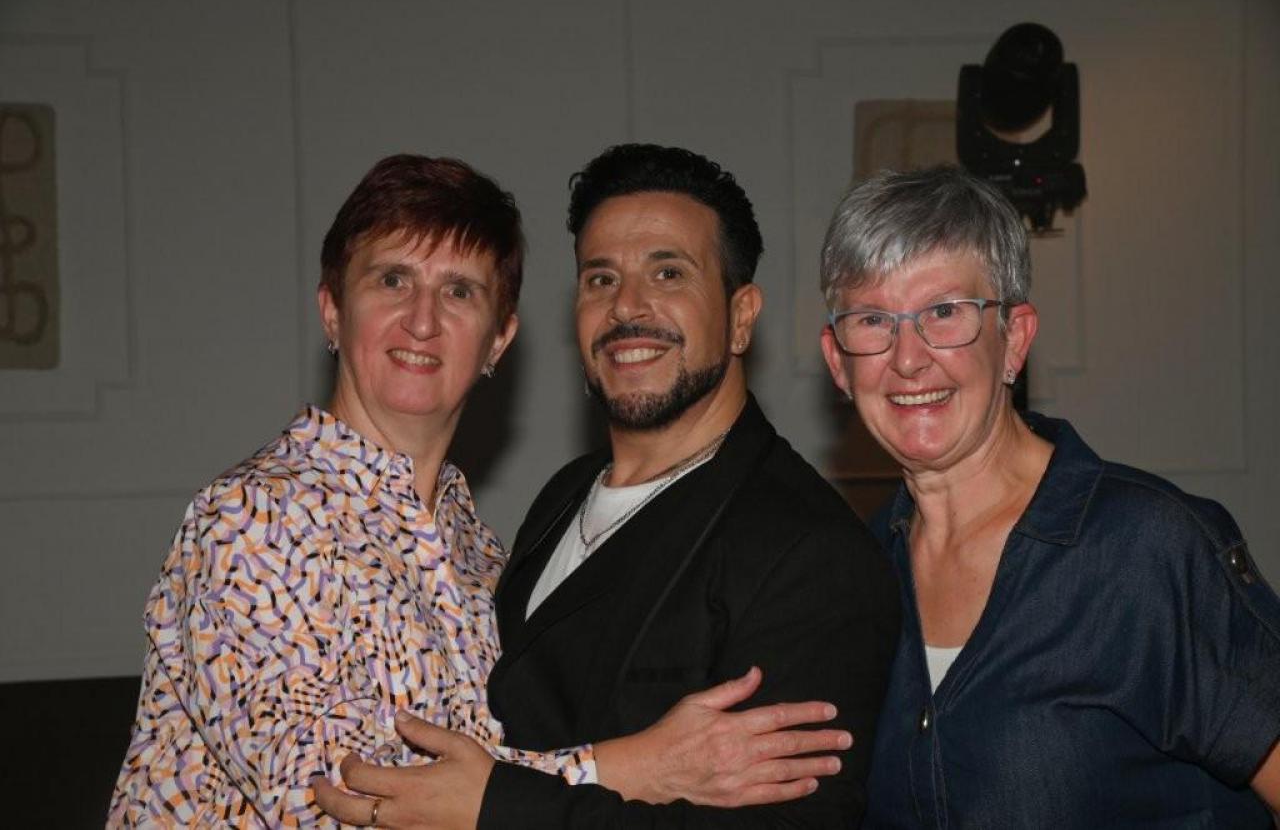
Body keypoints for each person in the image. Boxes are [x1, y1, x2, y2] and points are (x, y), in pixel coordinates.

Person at [110, 154, 852, 827]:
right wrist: (633, 767)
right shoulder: (252, 519)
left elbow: (479, 771)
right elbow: (337, 803)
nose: (422, 320)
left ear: (499, 338)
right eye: (392, 280)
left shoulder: (475, 546)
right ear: (333, 310)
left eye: (459, 291)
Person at [315, 143, 902, 829]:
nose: (626, 306)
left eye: (668, 273)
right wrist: (625, 768)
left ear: (741, 317)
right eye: (600, 278)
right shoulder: (560, 498)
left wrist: (498, 808)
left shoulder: (809, 554)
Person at [817, 164, 1280, 826]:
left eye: (945, 312)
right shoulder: (856, 579)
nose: (908, 358)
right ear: (838, 362)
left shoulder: (1143, 549)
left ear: (1015, 339)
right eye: (872, 319)